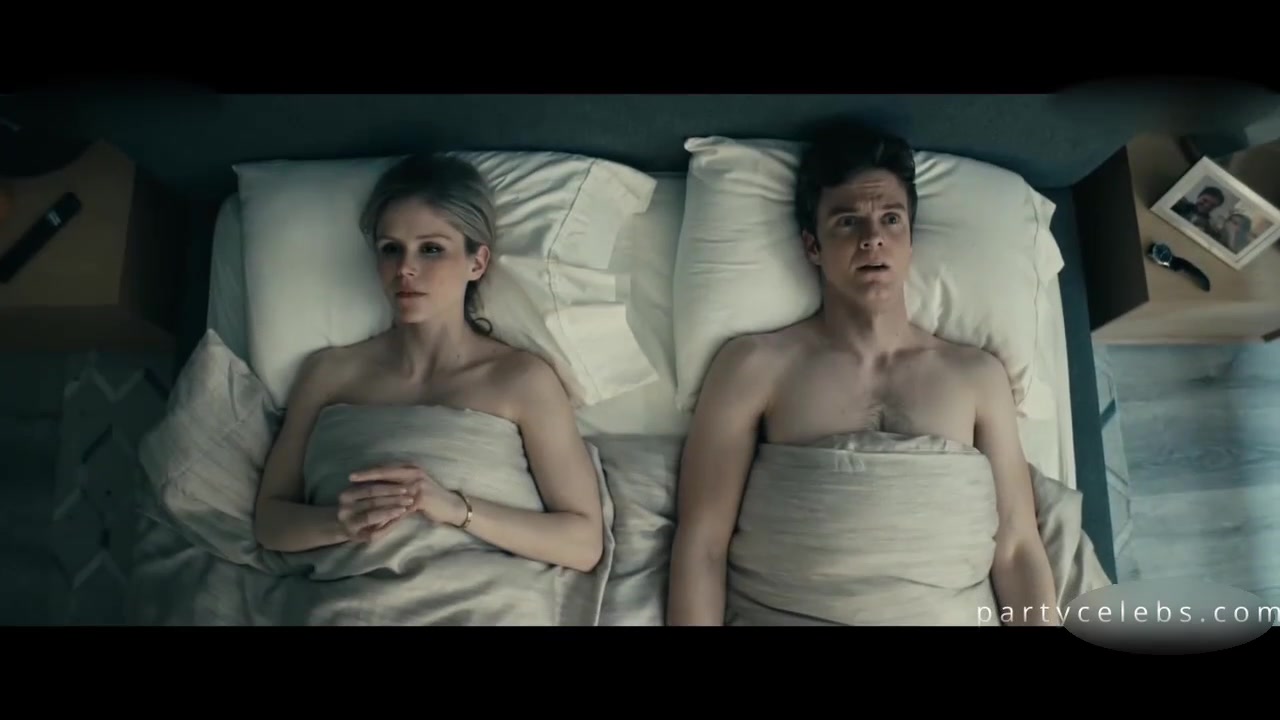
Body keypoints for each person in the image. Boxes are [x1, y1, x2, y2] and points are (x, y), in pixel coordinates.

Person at [666, 120, 1060, 625]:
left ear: (910, 240)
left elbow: (1018, 548)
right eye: (847, 222)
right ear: (813, 246)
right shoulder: (753, 366)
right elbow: (702, 544)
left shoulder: (977, 376)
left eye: (891, 220)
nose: (873, 239)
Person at [251, 153, 604, 574]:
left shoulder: (522, 380)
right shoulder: (328, 374)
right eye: (391, 249)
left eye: (431, 249)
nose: (405, 268)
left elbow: (583, 544)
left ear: (477, 262)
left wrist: (456, 508)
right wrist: (340, 523)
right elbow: (269, 522)